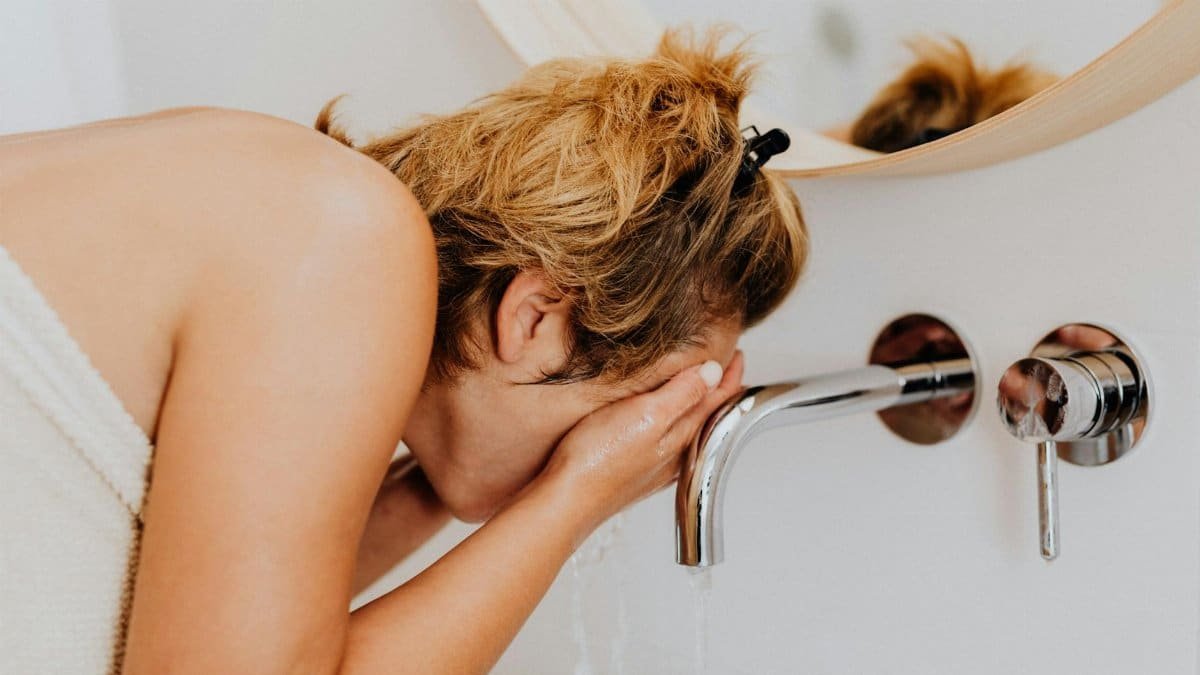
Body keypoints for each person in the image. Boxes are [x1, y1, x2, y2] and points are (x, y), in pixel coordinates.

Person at [0, 26, 806, 673]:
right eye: (660, 395)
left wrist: (448, 487)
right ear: (537, 318)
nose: (658, 438)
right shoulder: (341, 241)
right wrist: (574, 492)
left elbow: (221, 621)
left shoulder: (309, 224)